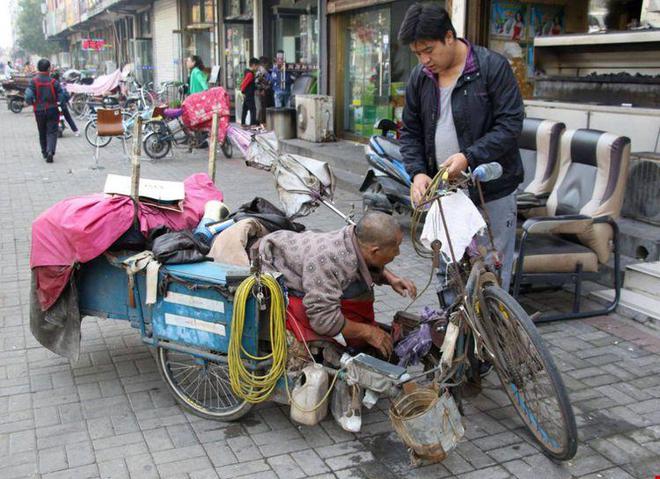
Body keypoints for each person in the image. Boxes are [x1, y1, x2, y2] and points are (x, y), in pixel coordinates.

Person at [397, 3, 524, 303]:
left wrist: (469, 156)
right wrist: (417, 173)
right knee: (449, 272)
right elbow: (411, 131)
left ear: (449, 36)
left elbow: (510, 125)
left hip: (490, 190)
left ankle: (493, 343)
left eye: (429, 49)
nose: (425, 60)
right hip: (444, 192)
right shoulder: (420, 78)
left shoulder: (491, 67)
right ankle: (456, 341)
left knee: (490, 272)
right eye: (418, 53)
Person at [257, 211, 417, 358]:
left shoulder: (354, 239)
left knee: (359, 291)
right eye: (396, 248)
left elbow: (366, 263)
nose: (398, 253)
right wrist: (369, 332)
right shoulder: (330, 261)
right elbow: (323, 320)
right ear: (374, 251)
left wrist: (391, 279)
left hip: (304, 257)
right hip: (277, 265)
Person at [25, 59, 65, 163]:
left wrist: (32, 102)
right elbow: (62, 97)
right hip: (52, 109)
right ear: (48, 69)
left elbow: (28, 96)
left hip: (39, 111)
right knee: (52, 132)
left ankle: (44, 152)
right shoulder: (54, 82)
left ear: (38, 68)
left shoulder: (33, 82)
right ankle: (50, 151)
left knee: (42, 132)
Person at [51, 71, 79, 136]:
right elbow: (67, 96)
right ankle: (76, 131)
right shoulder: (62, 84)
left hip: (55, 105)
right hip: (63, 105)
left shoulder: (51, 85)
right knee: (68, 118)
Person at [240, 58, 259, 126]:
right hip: (249, 94)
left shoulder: (247, 72)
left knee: (245, 109)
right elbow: (244, 83)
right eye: (257, 66)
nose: (257, 68)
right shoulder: (250, 74)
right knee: (253, 109)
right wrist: (242, 92)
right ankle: (253, 124)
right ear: (253, 65)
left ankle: (243, 123)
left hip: (247, 94)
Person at [255, 56, 272, 125]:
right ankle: (262, 122)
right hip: (262, 91)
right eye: (267, 63)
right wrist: (262, 89)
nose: (268, 65)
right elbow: (257, 81)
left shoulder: (261, 70)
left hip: (263, 91)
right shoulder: (261, 71)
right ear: (264, 63)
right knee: (262, 107)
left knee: (262, 106)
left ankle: (262, 121)